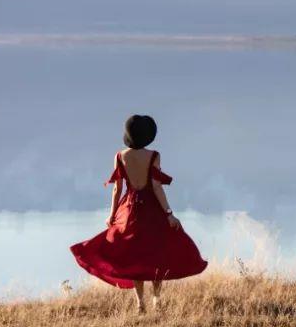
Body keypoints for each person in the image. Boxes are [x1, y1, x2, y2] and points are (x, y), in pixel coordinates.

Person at [70, 114, 207, 313]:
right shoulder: (153, 156)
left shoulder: (120, 156)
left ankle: (140, 303)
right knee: (156, 255)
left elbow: (117, 188)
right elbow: (156, 186)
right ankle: (156, 301)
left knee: (134, 256)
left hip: (129, 210)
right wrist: (169, 213)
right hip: (151, 208)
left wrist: (112, 215)